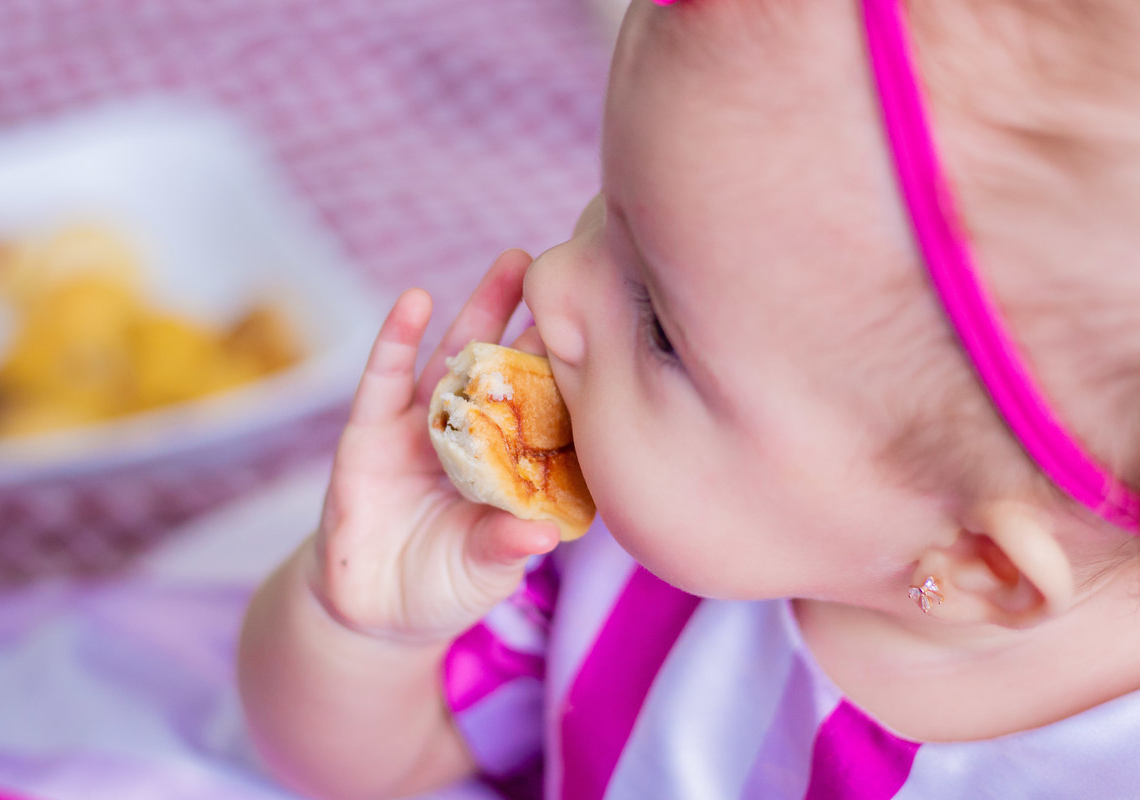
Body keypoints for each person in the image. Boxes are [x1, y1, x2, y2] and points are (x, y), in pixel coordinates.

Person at [237, 0, 1140, 797]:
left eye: (661, 326)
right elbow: (380, 767)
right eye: (605, 206)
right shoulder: (589, 550)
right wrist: (367, 623)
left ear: (981, 565)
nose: (549, 280)